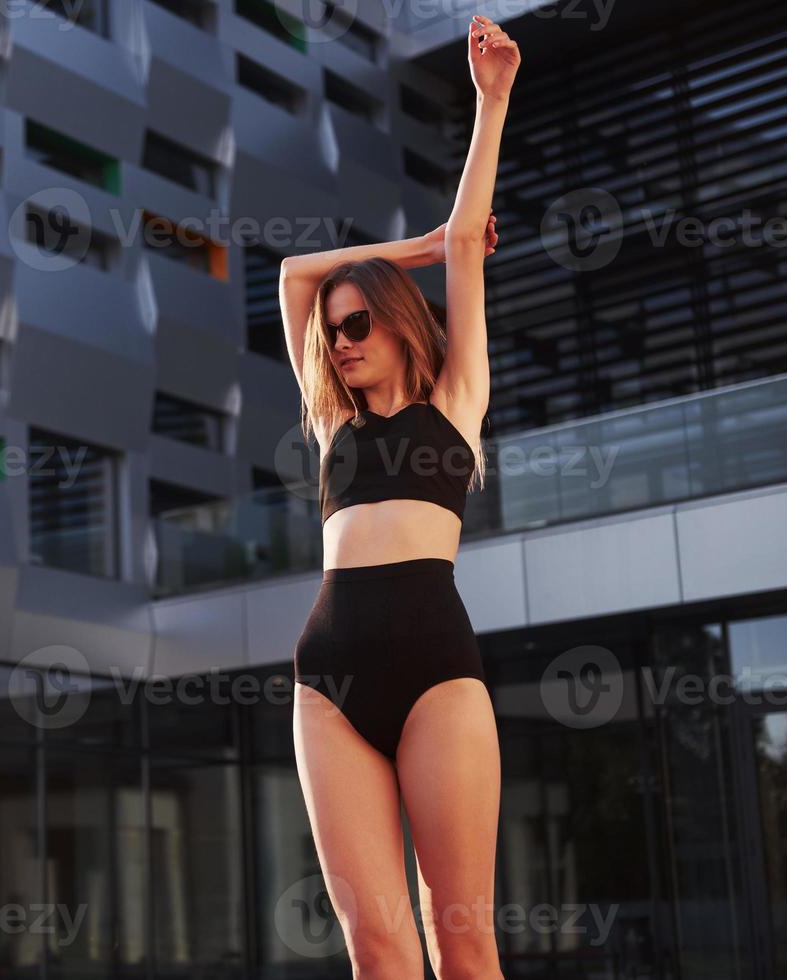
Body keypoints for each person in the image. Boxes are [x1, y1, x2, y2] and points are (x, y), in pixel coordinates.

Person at [279, 14, 520, 979]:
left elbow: (470, 238)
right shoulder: (332, 425)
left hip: (434, 670)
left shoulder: (455, 403)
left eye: (359, 321)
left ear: (398, 324)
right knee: (377, 950)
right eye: (335, 329)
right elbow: (297, 274)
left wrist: (490, 98)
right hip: (326, 680)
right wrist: (402, 250)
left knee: (460, 938)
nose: (340, 337)